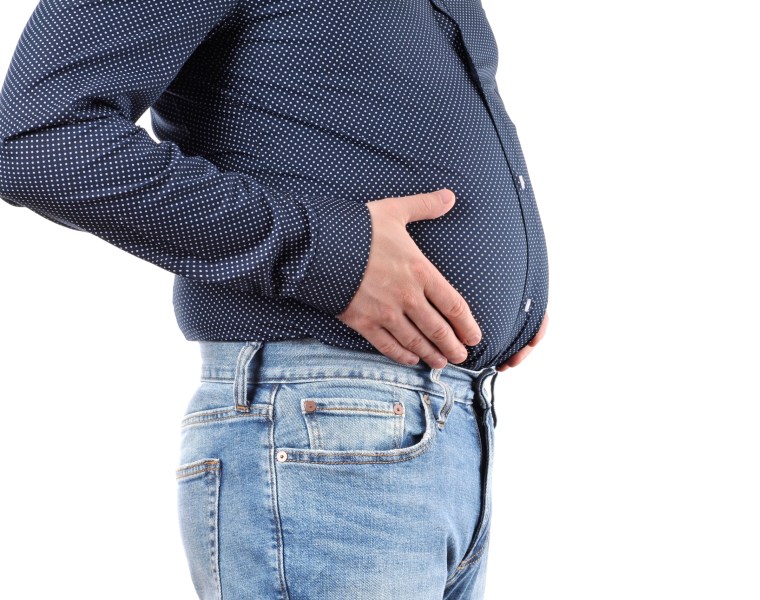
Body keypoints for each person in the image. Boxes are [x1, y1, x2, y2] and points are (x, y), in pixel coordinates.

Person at [0, 0, 548, 597]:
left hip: (445, 423)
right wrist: (330, 255)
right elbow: (36, 139)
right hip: (326, 423)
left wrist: (510, 291)